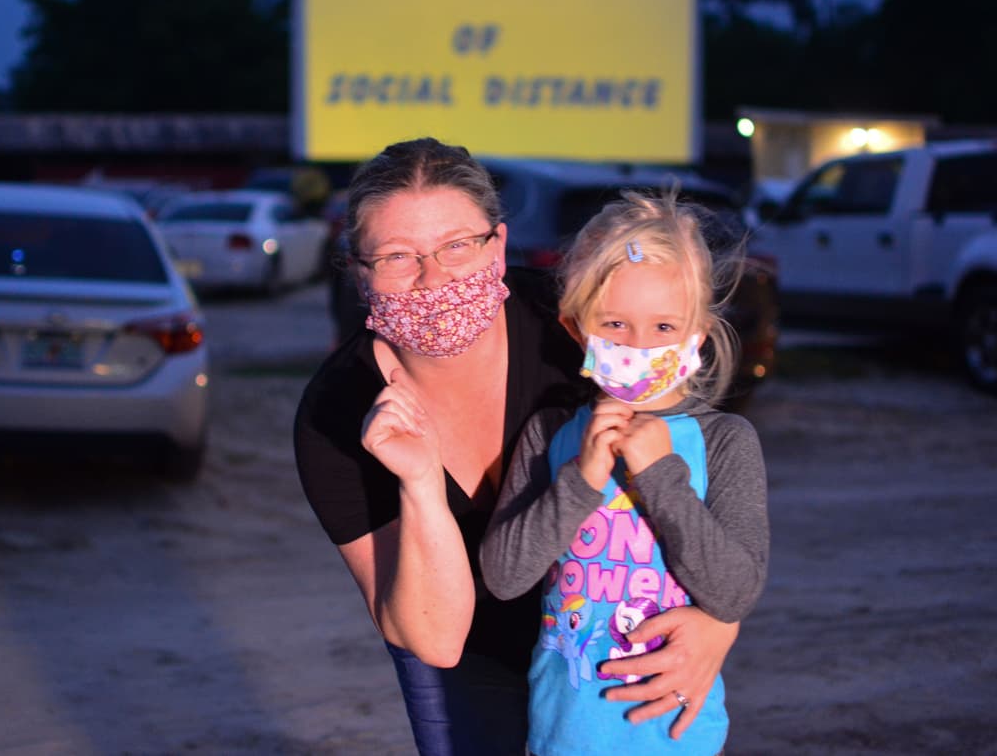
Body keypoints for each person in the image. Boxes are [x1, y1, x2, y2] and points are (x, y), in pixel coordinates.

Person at [294, 138, 742, 756]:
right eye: (397, 256)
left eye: (457, 245)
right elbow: (435, 638)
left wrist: (718, 623)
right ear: (359, 271)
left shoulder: (575, 330)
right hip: (471, 642)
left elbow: (701, 474)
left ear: (499, 246)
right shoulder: (338, 414)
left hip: (623, 634)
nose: (433, 278)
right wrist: (421, 484)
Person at [479, 189, 770, 756]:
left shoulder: (725, 442)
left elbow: (734, 593)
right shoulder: (552, 435)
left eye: (665, 327)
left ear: (699, 335)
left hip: (676, 738)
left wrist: (661, 475)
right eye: (614, 323)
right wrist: (583, 478)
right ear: (576, 331)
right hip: (563, 734)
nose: (639, 345)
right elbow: (504, 575)